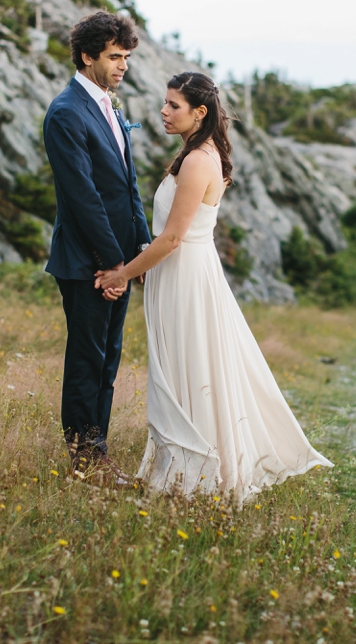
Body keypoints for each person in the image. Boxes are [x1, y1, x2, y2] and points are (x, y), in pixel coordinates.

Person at [96, 72, 332, 504]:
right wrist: (147, 257)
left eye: (173, 106)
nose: (163, 112)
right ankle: (187, 470)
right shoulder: (197, 153)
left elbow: (173, 238)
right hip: (179, 270)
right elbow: (170, 236)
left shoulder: (198, 160)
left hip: (186, 276)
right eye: (164, 103)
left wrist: (123, 273)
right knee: (185, 366)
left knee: (189, 367)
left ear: (199, 112)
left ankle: (194, 478)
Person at [43, 11, 150, 487]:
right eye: (114, 56)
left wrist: (141, 244)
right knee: (87, 359)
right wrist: (113, 264)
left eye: (126, 56)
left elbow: (126, 188)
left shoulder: (108, 106)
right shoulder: (66, 112)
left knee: (108, 358)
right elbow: (83, 198)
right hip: (90, 263)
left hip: (119, 261)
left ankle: (97, 451)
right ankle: (84, 460)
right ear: (87, 56)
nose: (123, 65)